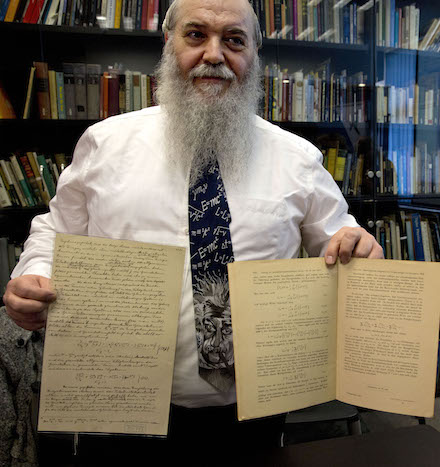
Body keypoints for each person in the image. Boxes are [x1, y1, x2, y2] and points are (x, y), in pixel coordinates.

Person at [2, 0, 382, 462]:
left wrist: (357, 245)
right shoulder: (106, 143)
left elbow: (340, 238)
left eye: (234, 40)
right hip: (121, 402)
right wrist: (35, 273)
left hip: (252, 412)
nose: (215, 54)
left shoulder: (297, 158)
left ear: (254, 54)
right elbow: (55, 231)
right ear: (169, 44)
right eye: (197, 35)